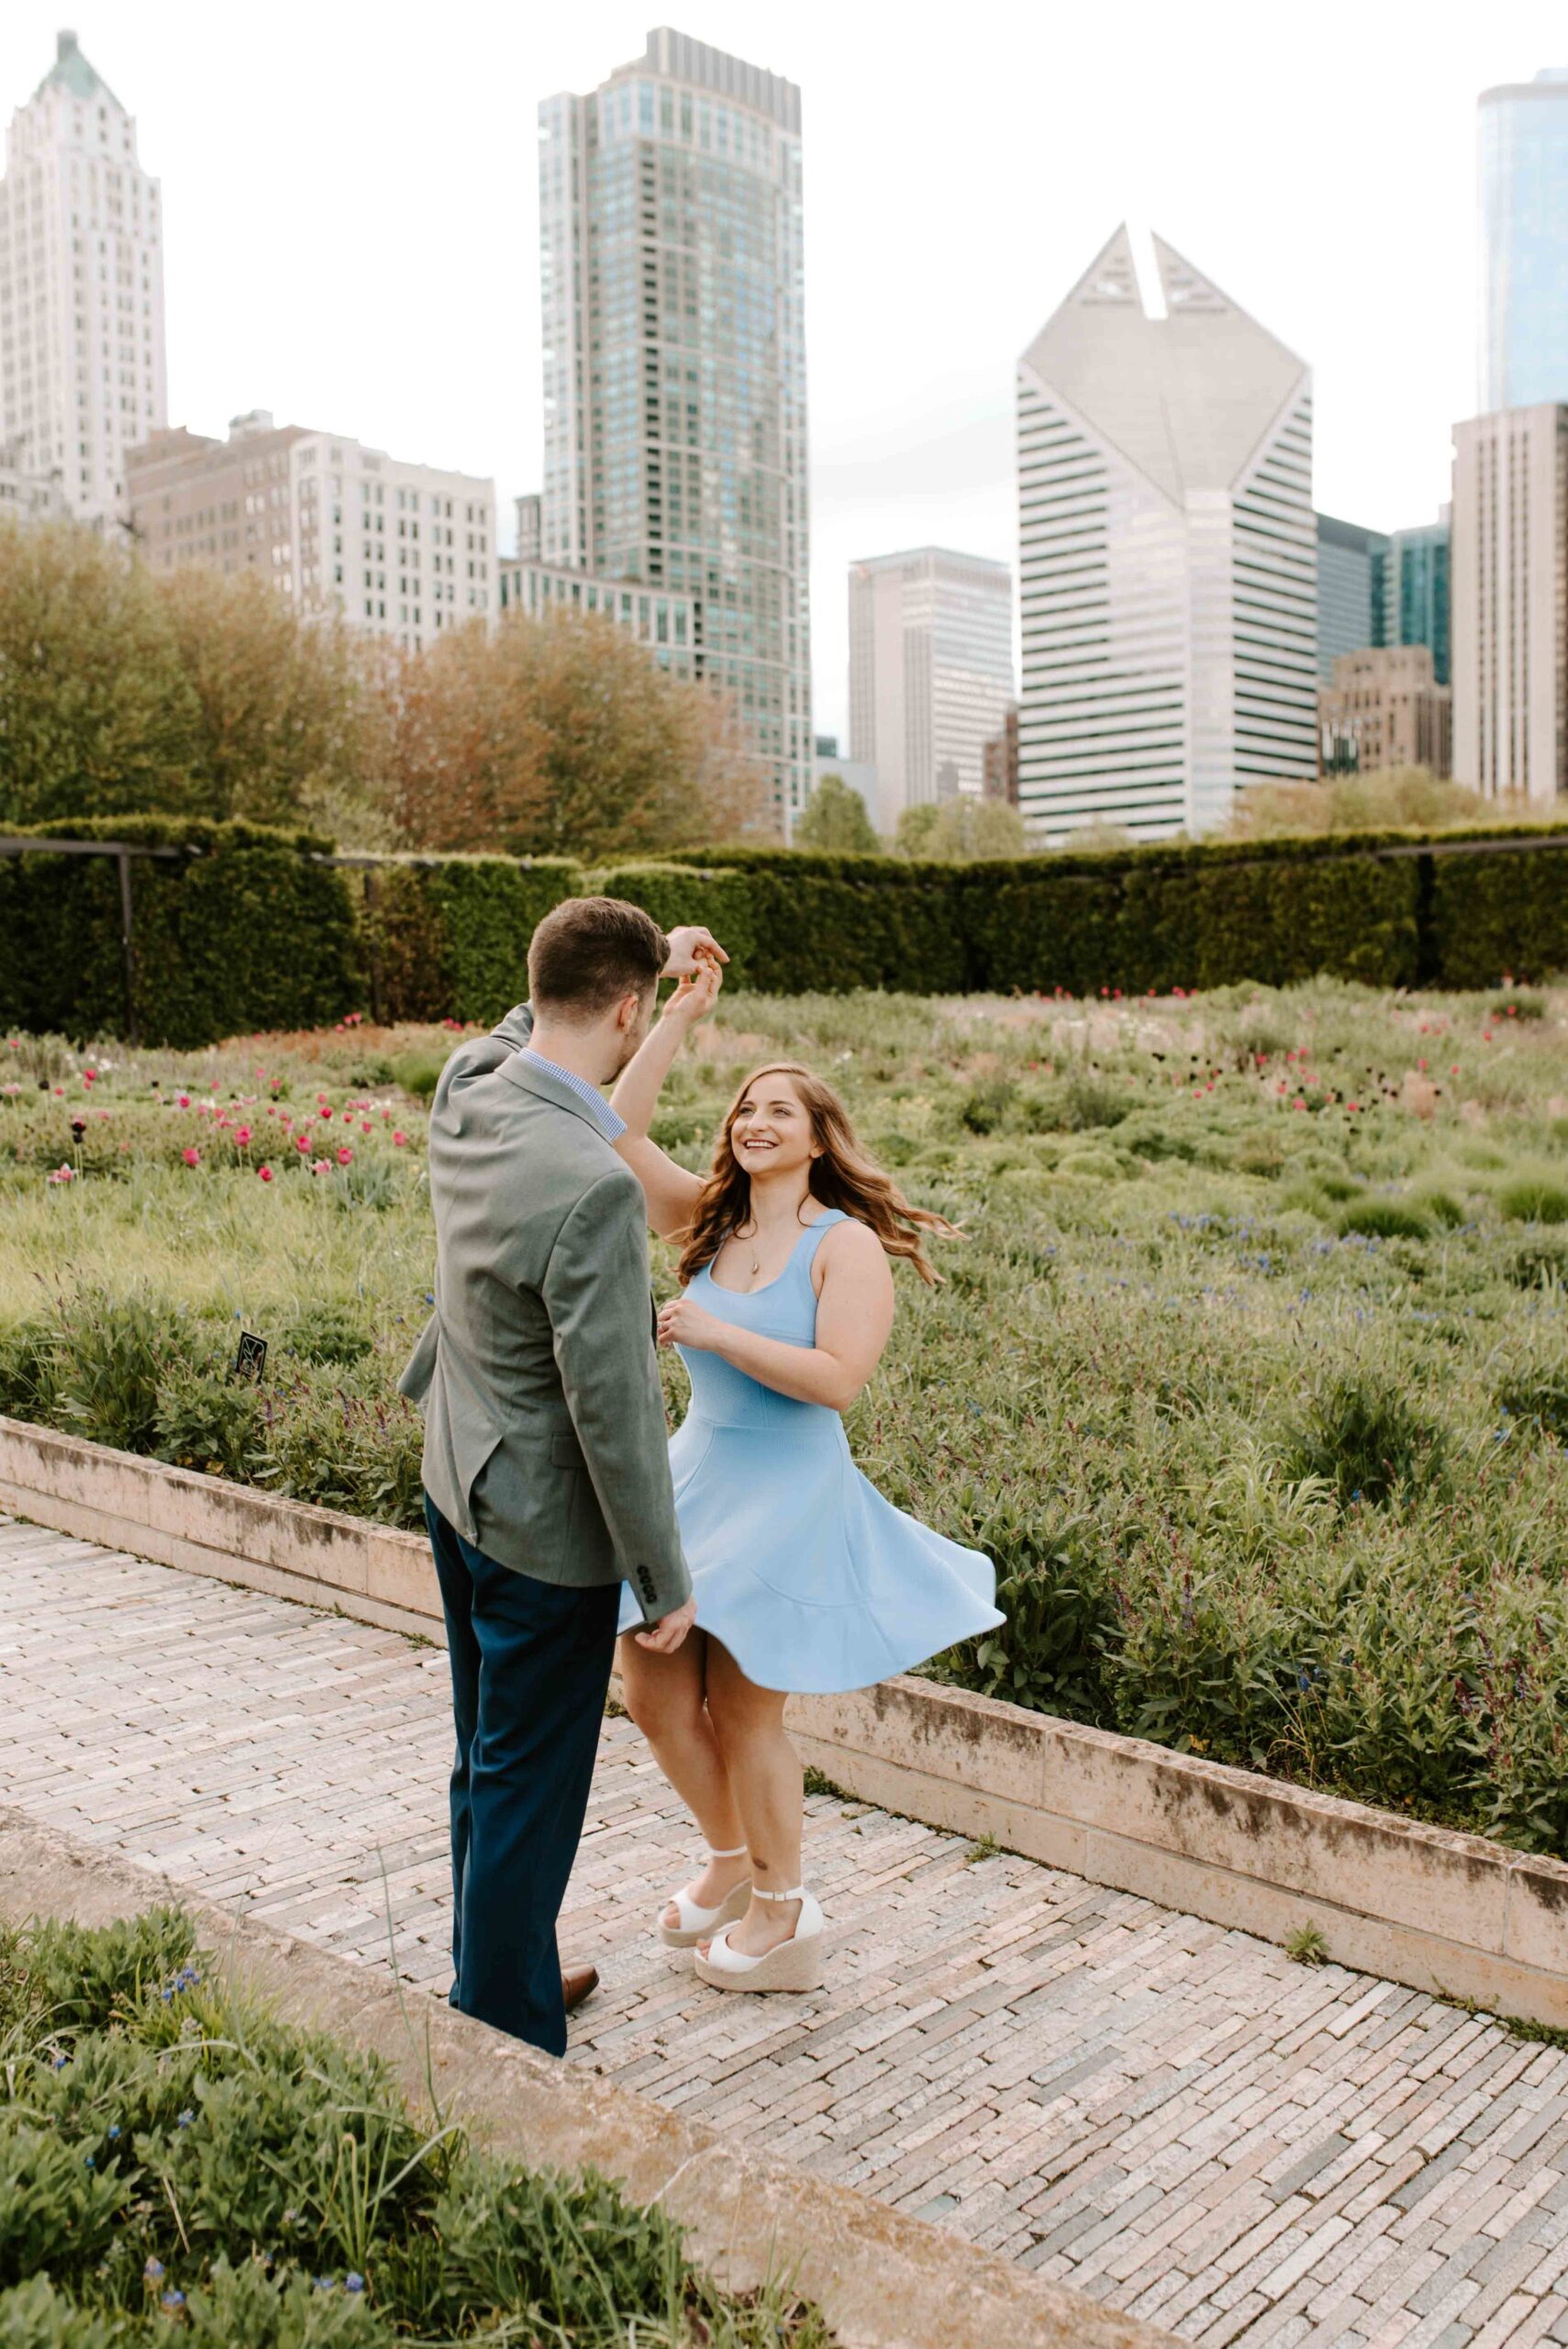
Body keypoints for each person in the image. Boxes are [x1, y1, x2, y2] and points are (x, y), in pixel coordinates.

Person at [607, 966, 1003, 1994]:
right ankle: (732, 1858)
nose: (752, 1118)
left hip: (787, 1497)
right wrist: (680, 1014)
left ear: (818, 1138)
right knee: (650, 1692)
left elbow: (835, 1383)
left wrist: (714, 1329)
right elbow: (611, 1128)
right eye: (743, 1105)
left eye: (778, 1107)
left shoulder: (846, 1246)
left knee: (743, 1713)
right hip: (695, 1478)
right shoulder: (706, 1218)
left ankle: (782, 1909)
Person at [398, 896, 727, 2056]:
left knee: (483, 1757)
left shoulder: (470, 1080)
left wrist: (658, 977)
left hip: (457, 1474)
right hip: (540, 1537)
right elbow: (615, 1408)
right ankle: (504, 2034)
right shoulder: (591, 1188)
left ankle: (504, 1956)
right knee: (527, 1793)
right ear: (627, 1009)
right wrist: (661, 1579)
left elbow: (541, 1029)